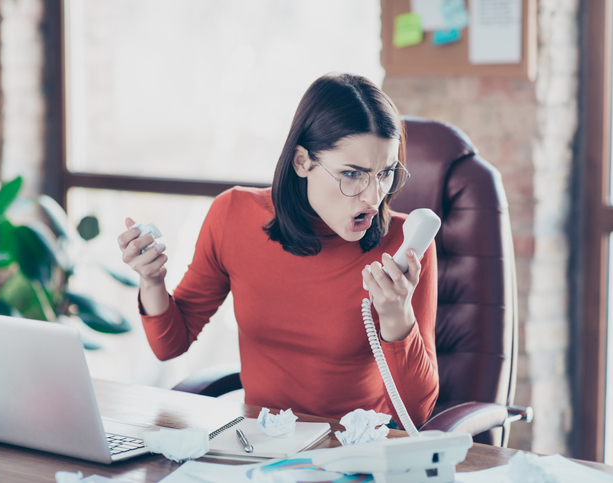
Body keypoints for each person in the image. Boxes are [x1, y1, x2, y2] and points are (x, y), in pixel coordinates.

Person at [118, 73, 438, 427]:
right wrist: (152, 280)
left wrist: (397, 316)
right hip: (259, 448)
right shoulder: (233, 215)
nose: (374, 197)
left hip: (354, 450)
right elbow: (170, 345)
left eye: (386, 173)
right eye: (352, 174)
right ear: (302, 162)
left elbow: (417, 413)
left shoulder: (404, 245)